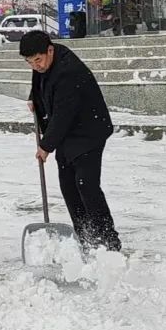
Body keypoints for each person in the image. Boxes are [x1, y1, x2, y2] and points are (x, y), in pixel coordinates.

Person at [20, 30, 120, 252]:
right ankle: (85, 237)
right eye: (30, 62)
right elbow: (39, 83)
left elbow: (64, 114)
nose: (35, 66)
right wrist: (33, 98)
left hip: (88, 133)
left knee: (86, 186)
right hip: (67, 135)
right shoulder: (45, 64)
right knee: (69, 187)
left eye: (38, 60)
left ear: (50, 50)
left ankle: (108, 241)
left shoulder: (68, 71)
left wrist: (46, 146)